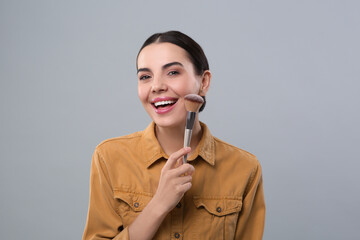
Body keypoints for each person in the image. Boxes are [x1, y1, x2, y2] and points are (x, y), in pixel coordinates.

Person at [83, 31, 265, 240]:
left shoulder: (245, 168)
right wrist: (159, 204)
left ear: (204, 82)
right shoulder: (109, 157)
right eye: (145, 77)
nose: (157, 86)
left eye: (172, 72)